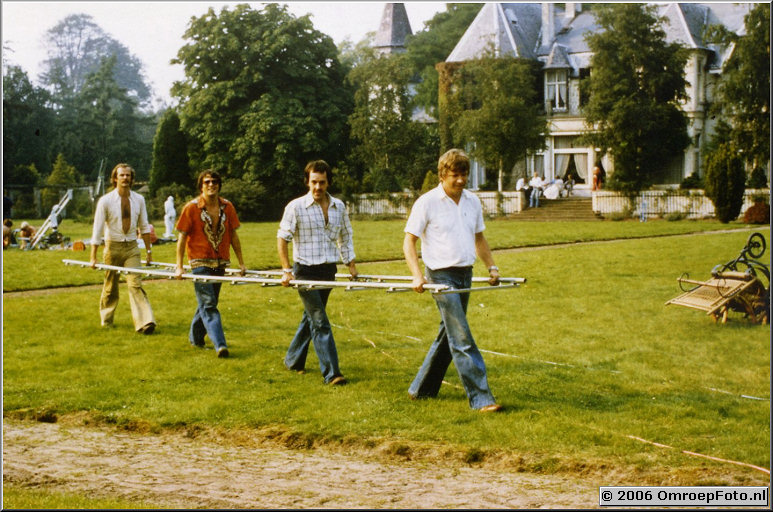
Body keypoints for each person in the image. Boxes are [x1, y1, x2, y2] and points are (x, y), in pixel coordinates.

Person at [403, 148, 503, 413]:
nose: (460, 180)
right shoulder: (427, 202)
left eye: (464, 175)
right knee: (461, 337)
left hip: (465, 273)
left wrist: (491, 267)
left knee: (449, 334)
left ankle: (420, 389)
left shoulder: (472, 201)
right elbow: (409, 241)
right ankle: (482, 398)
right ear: (443, 174)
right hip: (440, 276)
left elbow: (479, 238)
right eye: (455, 175)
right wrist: (417, 275)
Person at [277, 160, 357, 386]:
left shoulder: (338, 206)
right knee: (320, 320)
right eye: (313, 182)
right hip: (304, 270)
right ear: (307, 182)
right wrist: (286, 270)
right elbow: (282, 238)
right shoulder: (296, 207)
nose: (318, 187)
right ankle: (332, 373)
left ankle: (292, 360)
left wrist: (350, 263)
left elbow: (345, 235)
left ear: (328, 182)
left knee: (311, 317)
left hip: (327, 270)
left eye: (322, 182)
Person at [175, 171, 246, 358]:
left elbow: (234, 236)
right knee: (208, 304)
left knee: (208, 303)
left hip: (220, 261)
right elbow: (181, 238)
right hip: (199, 262)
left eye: (215, 182)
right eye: (207, 182)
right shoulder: (191, 208)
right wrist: (179, 266)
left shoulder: (227, 206)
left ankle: (195, 338)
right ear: (201, 186)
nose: (211, 185)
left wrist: (241, 262)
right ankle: (220, 345)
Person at [90, 163, 156, 334]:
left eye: (128, 175)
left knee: (135, 284)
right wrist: (93, 256)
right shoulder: (105, 201)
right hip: (112, 247)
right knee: (111, 286)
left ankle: (145, 322)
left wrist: (149, 252)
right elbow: (97, 229)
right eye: (122, 175)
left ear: (132, 179)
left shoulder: (139, 199)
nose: (125, 178)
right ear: (115, 178)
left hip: (132, 247)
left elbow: (144, 227)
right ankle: (106, 319)